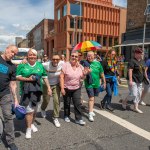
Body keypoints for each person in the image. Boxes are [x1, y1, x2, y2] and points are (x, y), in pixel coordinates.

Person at [16, 49, 52, 139]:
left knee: (35, 110)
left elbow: (45, 77)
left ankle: (32, 124)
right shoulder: (22, 65)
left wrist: (48, 88)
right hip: (25, 92)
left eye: (34, 55)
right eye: (30, 54)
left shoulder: (40, 65)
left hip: (37, 92)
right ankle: (28, 129)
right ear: (27, 56)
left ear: (36, 56)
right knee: (29, 111)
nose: (32, 56)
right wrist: (28, 79)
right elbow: (17, 77)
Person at [60, 51, 89, 125]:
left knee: (77, 103)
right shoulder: (65, 65)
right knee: (67, 103)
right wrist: (62, 88)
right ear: (70, 56)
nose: (74, 57)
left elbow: (82, 77)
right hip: (67, 87)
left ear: (78, 58)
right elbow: (61, 77)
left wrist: (85, 74)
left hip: (76, 87)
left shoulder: (80, 66)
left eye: (76, 56)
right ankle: (66, 115)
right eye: (72, 56)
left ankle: (78, 119)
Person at [0, 45, 19, 150]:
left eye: (15, 54)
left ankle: (10, 142)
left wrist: (15, 99)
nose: (13, 55)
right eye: (12, 52)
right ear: (7, 49)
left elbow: (13, 84)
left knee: (8, 117)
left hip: (5, 94)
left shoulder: (12, 67)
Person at [122, 47, 148, 113]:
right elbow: (130, 70)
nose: (140, 54)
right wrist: (130, 80)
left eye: (141, 53)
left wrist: (146, 77)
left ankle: (135, 107)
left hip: (140, 80)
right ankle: (124, 101)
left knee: (139, 94)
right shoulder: (132, 61)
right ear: (135, 54)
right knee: (133, 94)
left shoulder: (142, 61)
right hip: (133, 80)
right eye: (138, 53)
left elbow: (143, 70)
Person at [41, 55, 64, 127]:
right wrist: (24, 61)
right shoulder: (46, 65)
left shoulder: (62, 63)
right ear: (51, 59)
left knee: (56, 100)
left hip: (56, 85)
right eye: (53, 59)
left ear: (60, 59)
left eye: (57, 59)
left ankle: (55, 117)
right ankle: (43, 109)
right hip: (46, 84)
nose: (55, 61)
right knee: (46, 100)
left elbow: (71, 64)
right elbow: (35, 65)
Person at [84, 51, 106, 122]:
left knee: (93, 97)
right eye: (88, 56)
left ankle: (90, 109)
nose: (89, 57)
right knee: (91, 98)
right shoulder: (85, 63)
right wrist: (87, 72)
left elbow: (102, 73)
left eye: (91, 56)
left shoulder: (98, 63)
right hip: (89, 83)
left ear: (94, 56)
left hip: (97, 84)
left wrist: (104, 82)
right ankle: (90, 113)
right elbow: (83, 74)